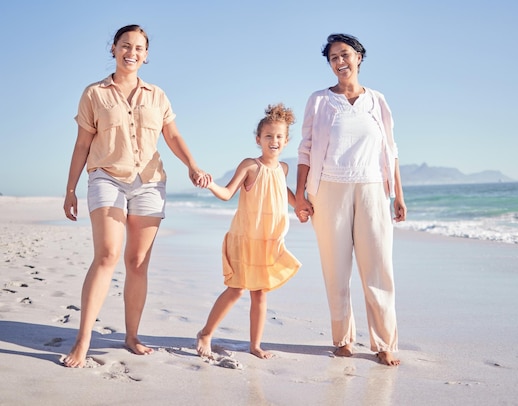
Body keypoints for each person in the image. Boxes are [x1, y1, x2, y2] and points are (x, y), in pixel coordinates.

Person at [62, 24, 210, 368]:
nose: (132, 52)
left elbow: (172, 136)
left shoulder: (157, 95)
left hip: (149, 181)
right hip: (106, 178)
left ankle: (131, 336)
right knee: (107, 255)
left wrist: (191, 165)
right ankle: (83, 340)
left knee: (138, 263)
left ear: (146, 54)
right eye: (125, 46)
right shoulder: (94, 94)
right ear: (113, 49)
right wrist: (70, 189)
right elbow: (83, 144)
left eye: (139, 48)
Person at [295, 33, 406, 366]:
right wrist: (300, 195)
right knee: (336, 269)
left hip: (373, 189)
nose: (340, 62)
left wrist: (399, 194)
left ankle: (384, 343)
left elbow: (391, 149)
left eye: (345, 55)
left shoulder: (378, 101)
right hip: (329, 189)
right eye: (333, 58)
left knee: (379, 270)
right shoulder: (319, 100)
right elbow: (306, 149)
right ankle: (343, 339)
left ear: (359, 56)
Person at [196, 103, 301, 359]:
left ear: (286, 140)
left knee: (260, 293)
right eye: (268, 136)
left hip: (269, 240)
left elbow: (283, 193)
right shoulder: (250, 165)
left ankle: (255, 345)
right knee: (236, 289)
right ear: (258, 139)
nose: (273, 140)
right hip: (245, 238)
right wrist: (211, 185)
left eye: (278, 136)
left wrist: (301, 205)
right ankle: (206, 333)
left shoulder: (284, 168)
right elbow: (227, 193)